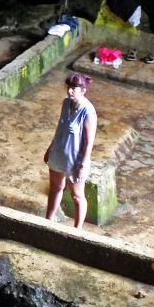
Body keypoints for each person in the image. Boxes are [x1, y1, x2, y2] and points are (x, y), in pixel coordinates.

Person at [43, 72, 98, 228]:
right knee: (55, 188)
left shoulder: (88, 112)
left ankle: (77, 230)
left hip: (74, 160)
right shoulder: (66, 103)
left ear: (83, 90)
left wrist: (83, 165)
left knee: (77, 196)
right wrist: (50, 149)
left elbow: (89, 142)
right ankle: (47, 221)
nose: (70, 91)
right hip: (58, 153)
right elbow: (60, 128)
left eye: (74, 88)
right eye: (69, 87)